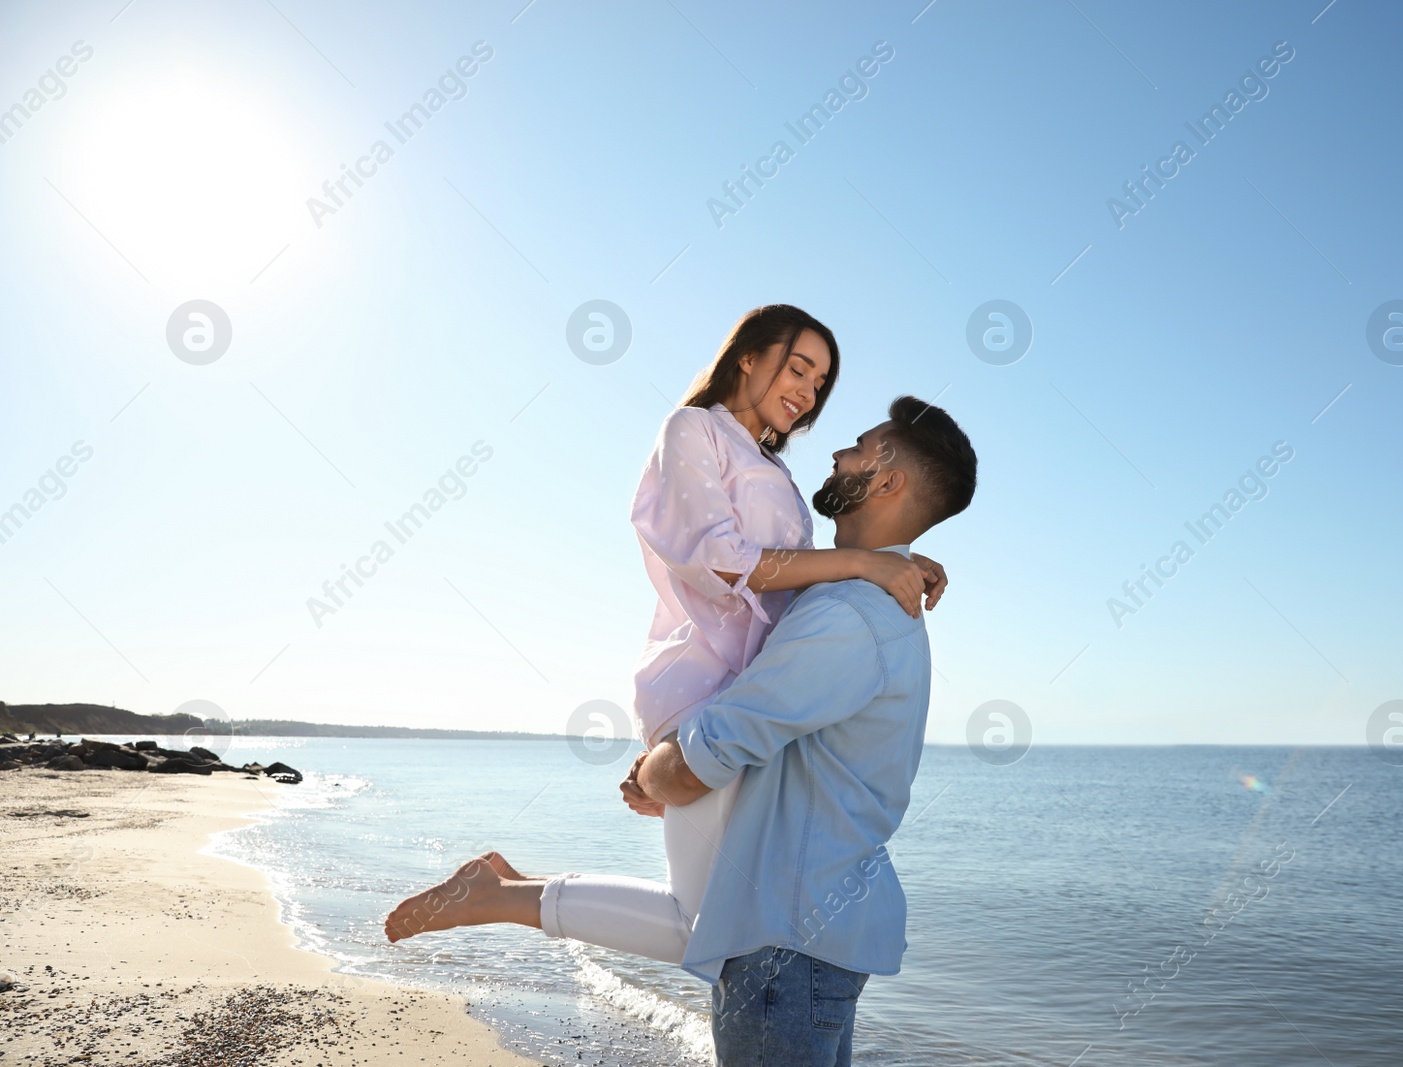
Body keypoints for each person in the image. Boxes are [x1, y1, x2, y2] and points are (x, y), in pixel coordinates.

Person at [383, 396, 977, 1066]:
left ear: (890, 481)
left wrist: (658, 774)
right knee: (688, 918)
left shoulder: (850, 616)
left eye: (861, 446)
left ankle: (502, 895)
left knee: (687, 919)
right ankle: (504, 894)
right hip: (812, 941)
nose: (840, 454)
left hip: (788, 954)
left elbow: (712, 750)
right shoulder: (866, 600)